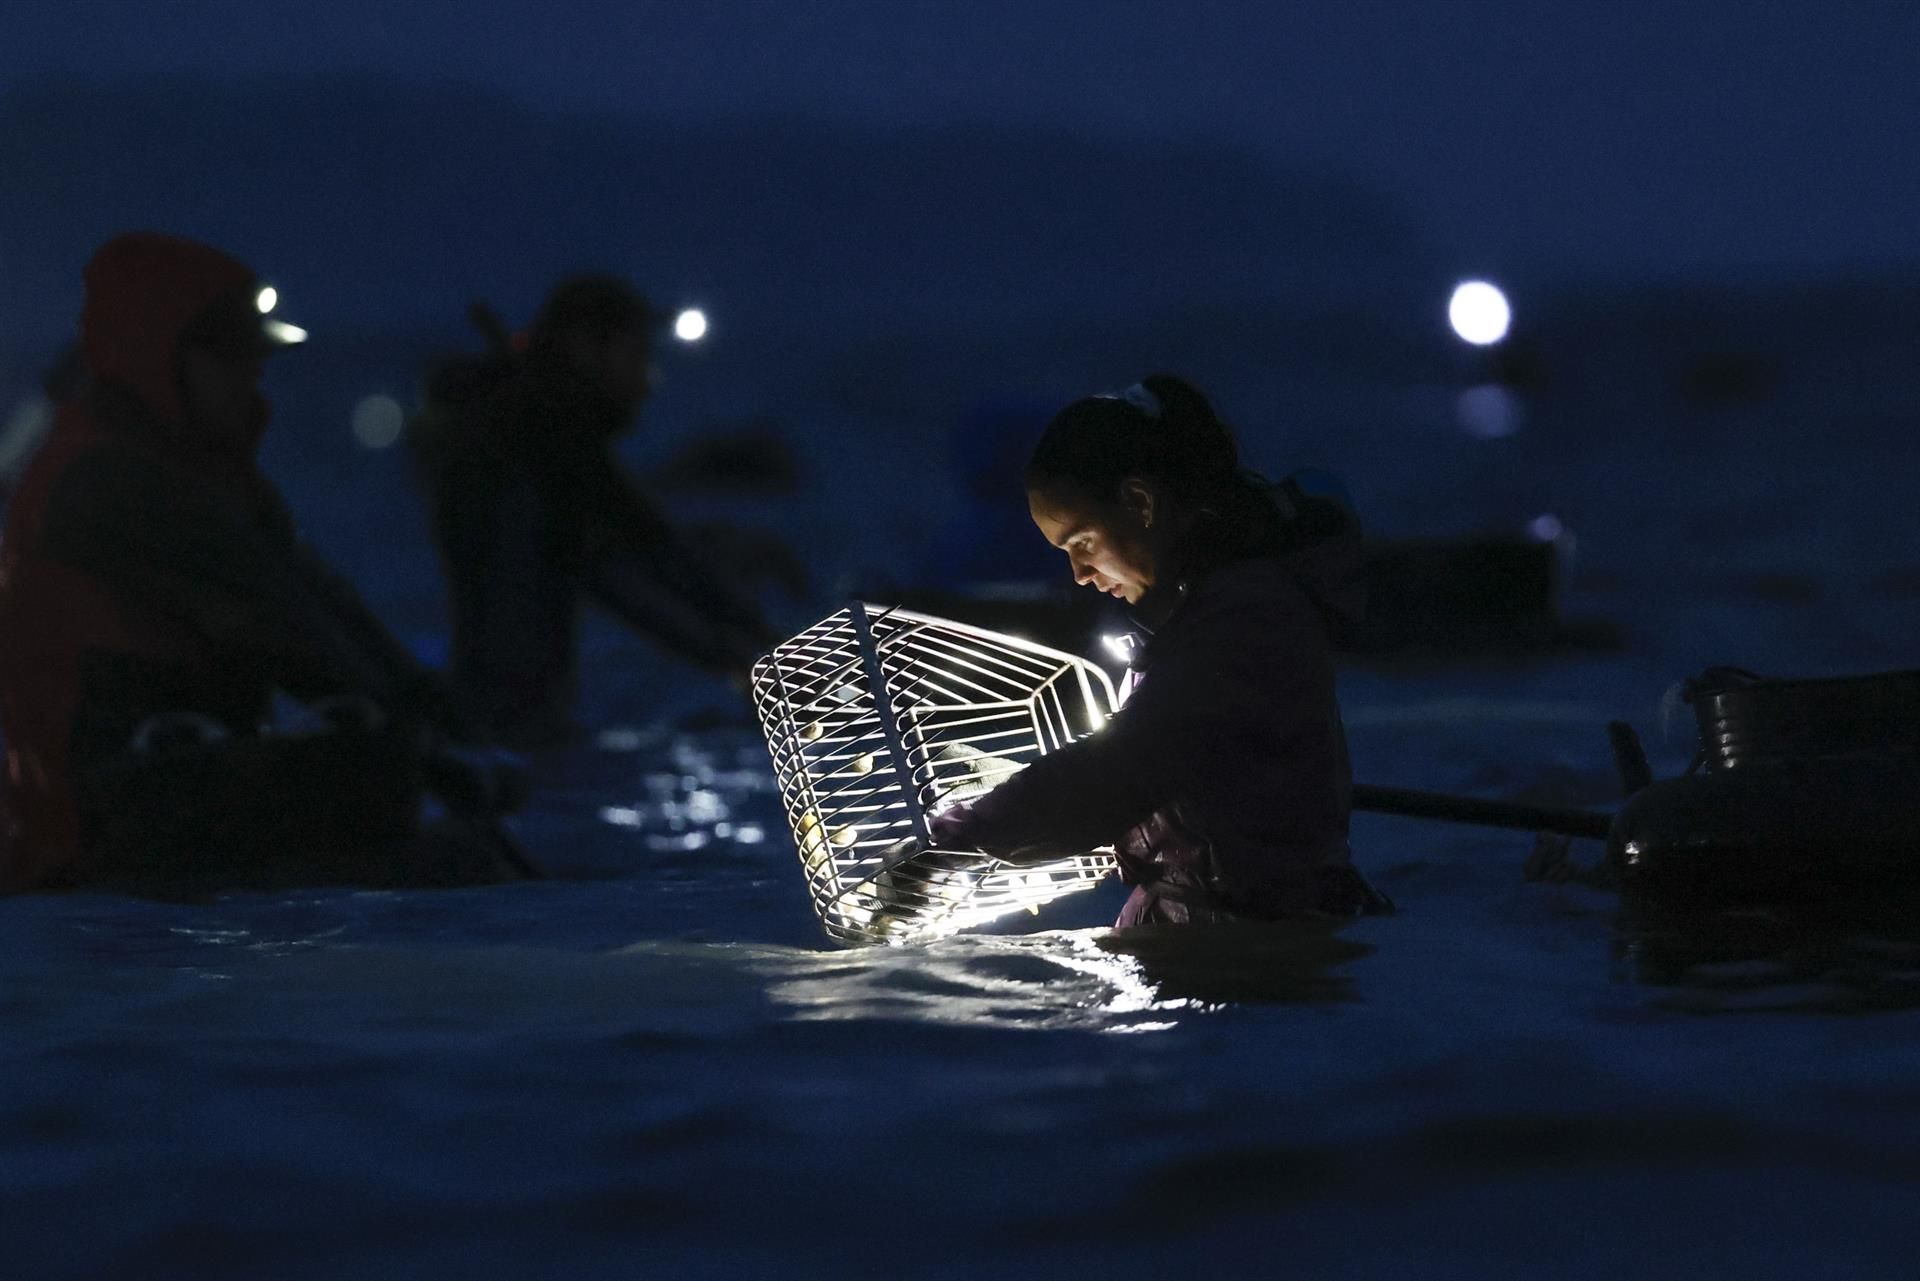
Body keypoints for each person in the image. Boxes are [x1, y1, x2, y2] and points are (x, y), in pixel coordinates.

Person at [0, 231, 524, 896]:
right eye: (232, 357)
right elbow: (277, 620)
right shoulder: (101, 479)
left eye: (256, 356)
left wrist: (438, 717)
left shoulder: (210, 477)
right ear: (158, 357)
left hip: (172, 798)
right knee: (444, 866)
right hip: (87, 833)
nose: (253, 375)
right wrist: (424, 741)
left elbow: (319, 598)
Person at [930, 374, 1391, 927]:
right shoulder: (1198, 613)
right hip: (1217, 927)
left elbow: (1126, 769)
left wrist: (970, 833)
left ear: (1140, 502)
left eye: (1081, 543)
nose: (1078, 574)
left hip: (1259, 941)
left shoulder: (1246, 619)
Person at [410, 277, 774, 746]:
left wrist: (755, 641)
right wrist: (748, 660)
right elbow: (618, 570)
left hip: (505, 725)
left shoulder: (537, 438)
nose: (647, 382)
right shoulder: (538, 450)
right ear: (586, 350)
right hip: (512, 735)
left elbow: (649, 544)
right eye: (636, 358)